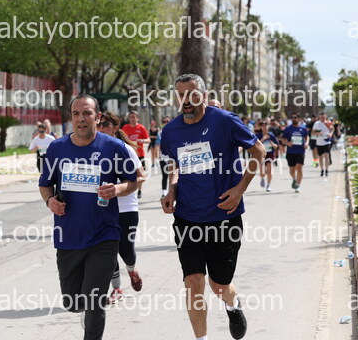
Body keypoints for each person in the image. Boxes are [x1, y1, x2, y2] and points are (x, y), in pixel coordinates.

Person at [160, 74, 265, 340]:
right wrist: (171, 189)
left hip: (224, 216)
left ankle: (232, 303)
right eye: (181, 95)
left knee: (219, 285)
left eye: (192, 94)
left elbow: (259, 151)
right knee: (193, 282)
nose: (186, 100)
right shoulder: (171, 131)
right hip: (187, 217)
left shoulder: (225, 121)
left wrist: (240, 189)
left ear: (204, 95)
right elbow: (174, 164)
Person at [39, 94, 137, 340]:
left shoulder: (114, 147)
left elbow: (133, 181)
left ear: (98, 116)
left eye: (87, 113)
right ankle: (85, 311)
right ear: (71, 117)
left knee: (94, 301)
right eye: (76, 114)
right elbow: (45, 184)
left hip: (104, 234)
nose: (81, 119)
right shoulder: (57, 148)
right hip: (68, 235)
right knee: (73, 302)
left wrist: (117, 189)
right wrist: (50, 201)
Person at [98, 111, 145, 303]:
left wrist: (120, 187)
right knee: (108, 250)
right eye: (99, 124)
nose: (101, 128)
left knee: (125, 250)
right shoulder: (94, 149)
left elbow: (141, 176)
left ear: (116, 128)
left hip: (126, 208)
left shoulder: (125, 149)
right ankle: (117, 288)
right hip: (103, 208)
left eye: (106, 124)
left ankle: (132, 270)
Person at [122, 111, 150, 198]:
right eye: (130, 117)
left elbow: (148, 140)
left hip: (140, 155)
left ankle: (139, 190)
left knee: (140, 174)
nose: (132, 119)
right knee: (129, 174)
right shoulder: (125, 128)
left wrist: (142, 140)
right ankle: (130, 190)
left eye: (134, 117)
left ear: (137, 118)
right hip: (128, 155)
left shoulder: (141, 128)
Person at [282, 113, 309, 193]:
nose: (294, 119)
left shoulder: (303, 128)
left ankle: (298, 185)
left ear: (299, 119)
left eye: (295, 117)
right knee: (292, 171)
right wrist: (287, 143)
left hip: (300, 151)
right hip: (291, 152)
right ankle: (294, 178)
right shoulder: (288, 129)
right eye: (292, 117)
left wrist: (307, 143)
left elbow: (307, 136)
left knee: (299, 168)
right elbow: (283, 139)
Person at [256, 121, 278, 192]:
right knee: (262, 172)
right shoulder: (258, 135)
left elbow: (276, 145)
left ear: (268, 127)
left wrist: (273, 145)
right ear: (261, 127)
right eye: (263, 126)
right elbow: (255, 144)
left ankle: (268, 185)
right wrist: (263, 139)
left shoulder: (271, 135)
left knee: (269, 171)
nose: (264, 127)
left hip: (270, 154)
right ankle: (262, 178)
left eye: (266, 126)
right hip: (261, 154)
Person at [312, 112, 332, 177]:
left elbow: (332, 129)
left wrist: (330, 134)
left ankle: (326, 170)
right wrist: (319, 133)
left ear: (325, 117)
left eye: (323, 117)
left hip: (327, 142)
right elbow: (313, 132)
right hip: (319, 142)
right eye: (321, 117)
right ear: (319, 117)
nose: (322, 118)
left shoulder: (328, 123)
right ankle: (322, 170)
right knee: (320, 157)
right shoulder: (316, 123)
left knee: (326, 155)